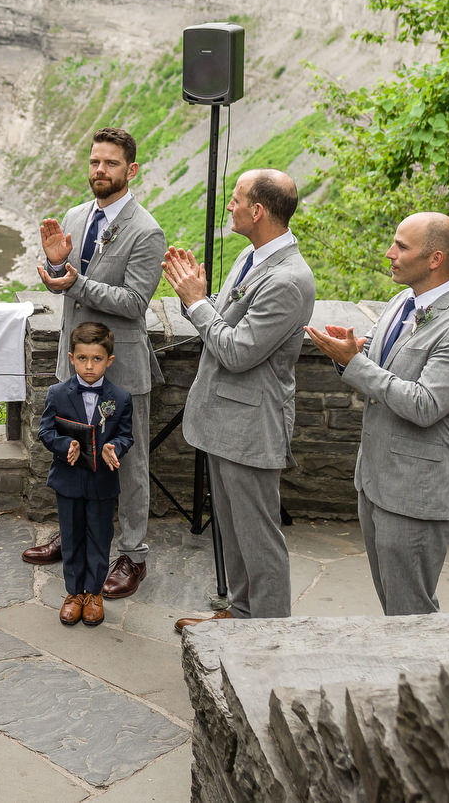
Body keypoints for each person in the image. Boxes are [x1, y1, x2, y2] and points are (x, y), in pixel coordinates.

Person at [306, 213, 449, 615]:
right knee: (393, 604)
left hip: (417, 492)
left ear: (435, 258)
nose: (390, 253)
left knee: (412, 613)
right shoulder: (402, 301)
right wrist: (351, 352)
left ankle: (421, 678)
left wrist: (355, 364)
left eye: (402, 247)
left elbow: (425, 406)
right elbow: (379, 363)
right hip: (376, 479)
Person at [163, 170, 316, 630]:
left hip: (250, 425)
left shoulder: (288, 279)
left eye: (235, 200)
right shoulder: (253, 256)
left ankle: (268, 634)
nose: (229, 207)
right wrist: (204, 297)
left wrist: (195, 302)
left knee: (258, 536)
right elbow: (230, 325)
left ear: (258, 211)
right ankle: (242, 612)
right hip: (224, 419)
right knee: (231, 529)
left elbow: (236, 351)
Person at [22, 127, 165, 600]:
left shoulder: (147, 230)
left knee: (129, 462)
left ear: (132, 170)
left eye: (110, 163)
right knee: (76, 452)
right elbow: (66, 285)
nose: (99, 171)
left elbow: (134, 302)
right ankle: (75, 533)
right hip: (75, 365)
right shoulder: (76, 215)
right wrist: (57, 270)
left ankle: (132, 555)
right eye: (94, 162)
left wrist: (75, 281)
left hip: (121, 371)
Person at [39, 323, 136, 627]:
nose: (89, 366)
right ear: (71, 357)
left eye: (96, 359)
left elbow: (125, 435)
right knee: (71, 537)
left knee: (99, 536)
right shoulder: (58, 393)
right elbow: (46, 430)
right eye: (82, 359)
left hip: (101, 483)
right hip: (68, 481)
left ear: (110, 360)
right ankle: (73, 592)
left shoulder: (120, 398)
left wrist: (113, 449)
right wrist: (64, 444)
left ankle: (93, 593)